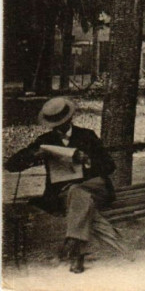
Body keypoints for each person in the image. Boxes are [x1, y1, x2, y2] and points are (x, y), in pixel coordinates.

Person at [4, 97, 116, 273]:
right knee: (76, 193)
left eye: (61, 123)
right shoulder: (45, 141)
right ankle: (75, 248)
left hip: (94, 188)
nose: (58, 128)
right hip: (62, 195)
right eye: (55, 125)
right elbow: (10, 165)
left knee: (78, 191)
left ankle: (74, 248)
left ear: (70, 119)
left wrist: (88, 161)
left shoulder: (87, 136)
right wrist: (34, 154)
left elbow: (110, 166)